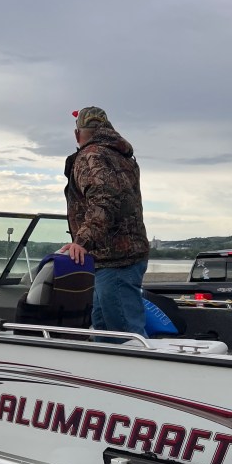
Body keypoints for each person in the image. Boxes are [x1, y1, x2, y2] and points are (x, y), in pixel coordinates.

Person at [59, 106, 150, 336]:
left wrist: (82, 241)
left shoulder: (91, 156)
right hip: (125, 256)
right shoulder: (122, 155)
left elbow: (104, 200)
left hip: (115, 261)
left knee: (125, 335)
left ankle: (137, 361)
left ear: (77, 134)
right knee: (103, 329)